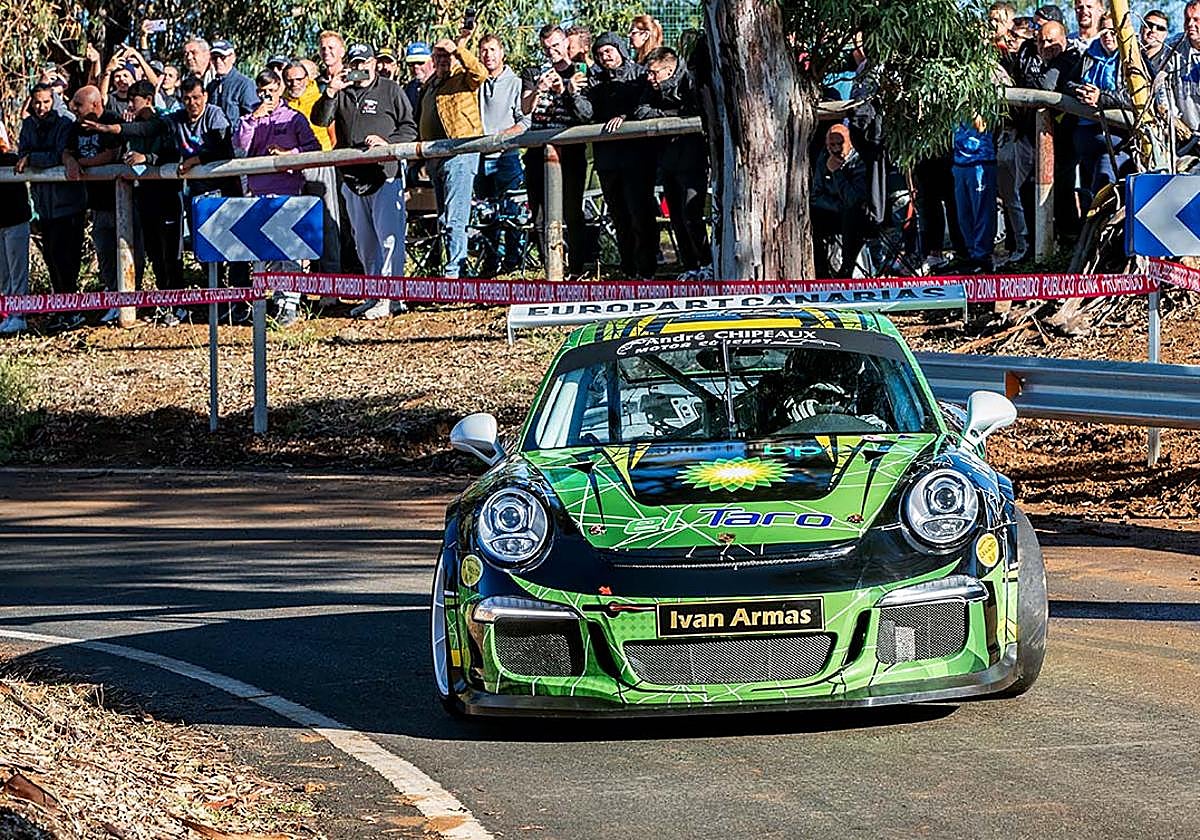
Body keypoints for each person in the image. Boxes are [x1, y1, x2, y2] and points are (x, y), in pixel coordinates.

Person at [312, 43, 417, 318]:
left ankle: (391, 297)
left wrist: (387, 143)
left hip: (385, 175)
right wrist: (331, 91)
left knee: (389, 239)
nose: (360, 68)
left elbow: (409, 128)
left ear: (374, 63)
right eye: (355, 63)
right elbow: (319, 119)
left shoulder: (391, 90)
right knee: (364, 241)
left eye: (365, 62)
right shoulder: (342, 92)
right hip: (352, 178)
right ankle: (374, 294)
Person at [84, 80, 186, 321]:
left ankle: (180, 303)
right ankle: (165, 302)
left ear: (148, 99)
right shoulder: (134, 125)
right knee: (155, 253)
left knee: (171, 253)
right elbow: (134, 137)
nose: (130, 105)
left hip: (168, 197)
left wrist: (145, 155)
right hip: (145, 196)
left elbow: (167, 150)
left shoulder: (166, 121)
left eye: (134, 100)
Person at [234, 69, 321, 325]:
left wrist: (288, 153)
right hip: (257, 192)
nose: (267, 95)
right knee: (264, 251)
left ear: (280, 89)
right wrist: (253, 119)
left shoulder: (294, 118)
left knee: (289, 250)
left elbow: (312, 148)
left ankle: (290, 304)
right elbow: (240, 147)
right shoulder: (250, 118)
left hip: (288, 191)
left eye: (272, 90)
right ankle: (273, 301)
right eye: (263, 91)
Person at [567, 32, 657, 279]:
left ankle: (647, 269)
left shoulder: (639, 74)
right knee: (619, 217)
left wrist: (626, 117)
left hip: (637, 159)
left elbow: (646, 103)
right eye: (600, 53)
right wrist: (574, 93)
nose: (605, 57)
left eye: (609, 51)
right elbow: (586, 114)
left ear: (620, 50)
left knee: (640, 214)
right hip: (608, 160)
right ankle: (628, 269)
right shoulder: (593, 80)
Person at [635, 47, 711, 277]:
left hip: (692, 159)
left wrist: (668, 113)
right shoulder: (651, 88)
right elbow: (641, 111)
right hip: (667, 160)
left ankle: (707, 263)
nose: (649, 78)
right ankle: (689, 266)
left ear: (669, 69)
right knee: (676, 218)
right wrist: (670, 115)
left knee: (692, 216)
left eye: (654, 73)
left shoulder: (690, 81)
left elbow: (693, 110)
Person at [521, 25, 590, 276]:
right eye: (547, 47)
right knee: (538, 215)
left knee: (572, 211)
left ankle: (577, 269)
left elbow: (585, 114)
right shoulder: (533, 72)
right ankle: (550, 268)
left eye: (556, 45)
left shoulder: (580, 72)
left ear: (566, 43)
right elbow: (525, 108)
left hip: (570, 151)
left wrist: (565, 91)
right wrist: (538, 90)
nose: (552, 51)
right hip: (538, 151)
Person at [419, 35, 487, 279]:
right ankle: (459, 267)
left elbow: (480, 73)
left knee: (455, 217)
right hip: (434, 156)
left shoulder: (463, 78)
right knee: (444, 217)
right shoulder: (430, 84)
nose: (443, 60)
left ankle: (454, 271)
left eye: (446, 55)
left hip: (460, 153)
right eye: (438, 55)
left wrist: (458, 49)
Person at [63, 85, 133, 324]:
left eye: (78, 105)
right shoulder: (76, 127)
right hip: (96, 204)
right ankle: (113, 299)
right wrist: (71, 161)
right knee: (104, 254)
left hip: (120, 202)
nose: (74, 109)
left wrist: (81, 163)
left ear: (95, 105)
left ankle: (128, 303)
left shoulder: (111, 121)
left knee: (125, 253)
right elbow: (66, 151)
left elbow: (111, 154)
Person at [16, 83, 86, 323]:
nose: (41, 107)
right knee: (52, 261)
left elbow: (59, 154)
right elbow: (21, 153)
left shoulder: (65, 122)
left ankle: (71, 310)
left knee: (67, 261)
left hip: (68, 204)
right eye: (37, 102)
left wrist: (32, 158)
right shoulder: (28, 125)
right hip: (43, 205)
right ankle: (61, 309)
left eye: (46, 102)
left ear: (53, 99)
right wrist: (29, 157)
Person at [476, 34, 528, 277]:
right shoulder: (476, 82)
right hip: (478, 157)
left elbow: (524, 121)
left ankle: (513, 262)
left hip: (506, 156)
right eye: (484, 50)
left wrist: (501, 137)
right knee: (486, 215)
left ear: (502, 53)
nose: (488, 55)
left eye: (493, 50)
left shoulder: (515, 83)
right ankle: (490, 263)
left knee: (512, 212)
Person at [283, 60, 342, 274]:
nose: (294, 84)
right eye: (289, 81)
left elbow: (333, 136)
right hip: (290, 170)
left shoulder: (320, 98)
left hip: (320, 164)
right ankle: (297, 283)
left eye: (299, 79)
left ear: (307, 79)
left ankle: (331, 280)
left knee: (327, 224)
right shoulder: (282, 104)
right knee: (294, 224)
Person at [1070, 14, 1130, 210]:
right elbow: (1068, 83)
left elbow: (1137, 96)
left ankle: (1101, 235)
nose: (1109, 36)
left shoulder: (1132, 57)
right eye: (1104, 31)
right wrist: (1080, 91)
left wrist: (1101, 97)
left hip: (1114, 138)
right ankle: (1087, 236)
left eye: (1114, 32)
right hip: (1085, 136)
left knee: (1104, 189)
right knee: (1086, 192)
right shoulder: (1089, 55)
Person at [810, 124, 867, 278]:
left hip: (858, 218)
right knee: (812, 218)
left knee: (852, 214)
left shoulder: (859, 161)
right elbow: (816, 196)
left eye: (839, 144)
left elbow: (853, 199)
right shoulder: (824, 160)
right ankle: (821, 272)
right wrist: (837, 206)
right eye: (831, 145)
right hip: (834, 211)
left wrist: (837, 173)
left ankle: (846, 270)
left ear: (849, 143)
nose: (836, 149)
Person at [952, 118, 998, 273]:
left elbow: (981, 125)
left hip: (980, 161)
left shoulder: (981, 98)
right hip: (959, 163)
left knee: (982, 213)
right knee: (963, 215)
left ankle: (983, 256)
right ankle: (972, 254)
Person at [0, 124, 32, 336]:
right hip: (0, 225)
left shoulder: (12, 161)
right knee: (3, 274)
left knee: (17, 270)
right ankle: (7, 313)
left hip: (15, 222)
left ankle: (19, 315)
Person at [207, 40, 258, 125]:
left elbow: (253, 118)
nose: (218, 61)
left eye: (222, 57)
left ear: (233, 58)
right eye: (214, 58)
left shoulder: (244, 85)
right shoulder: (211, 86)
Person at [403, 42, 434, 111]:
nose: (415, 66)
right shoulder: (410, 88)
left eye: (420, 62)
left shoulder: (441, 86)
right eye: (411, 63)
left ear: (432, 62)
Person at [1141, 10, 1170, 75]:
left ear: (1166, 34)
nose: (1153, 30)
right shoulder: (1127, 55)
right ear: (1141, 28)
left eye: (1160, 28)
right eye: (1149, 25)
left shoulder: (1171, 63)